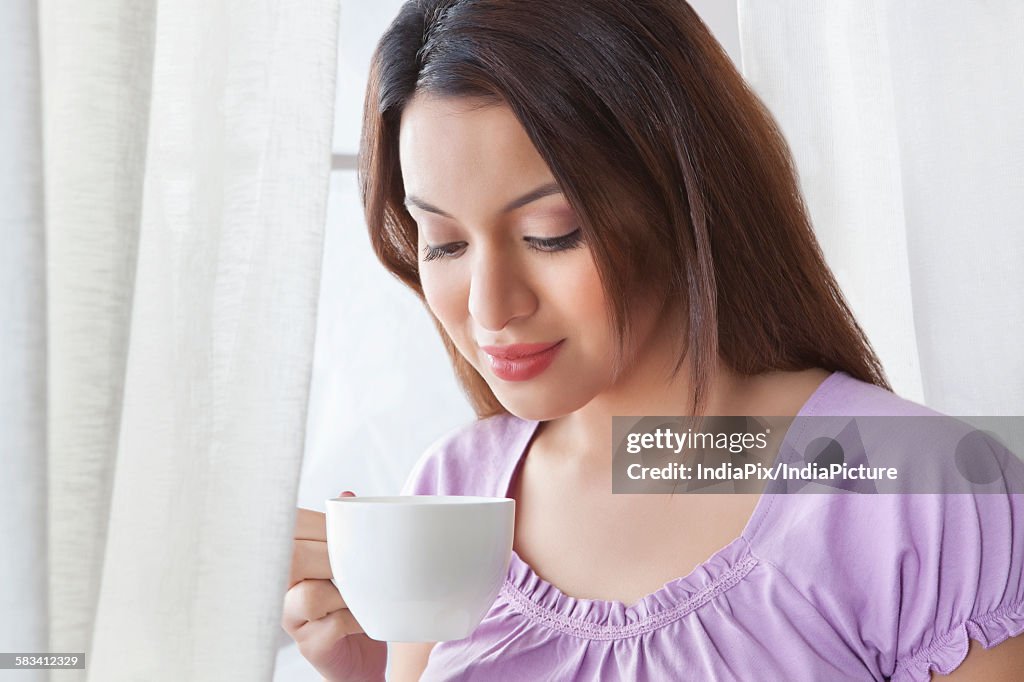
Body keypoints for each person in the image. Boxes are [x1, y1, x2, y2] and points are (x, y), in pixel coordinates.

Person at [282, 1, 1024, 679]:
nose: (489, 307)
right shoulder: (453, 489)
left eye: (552, 234)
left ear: (684, 193)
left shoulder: (929, 492)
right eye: (442, 243)